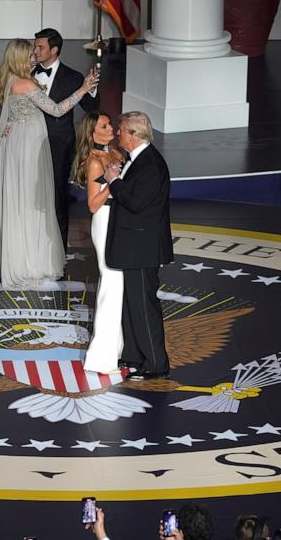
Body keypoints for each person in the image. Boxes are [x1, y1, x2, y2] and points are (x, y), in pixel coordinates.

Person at [0, 38, 98, 289]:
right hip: (28, 148)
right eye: (30, 56)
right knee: (30, 201)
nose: (34, 58)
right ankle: (27, 262)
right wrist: (83, 89)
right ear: (20, 59)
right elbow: (57, 109)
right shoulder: (26, 84)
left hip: (12, 146)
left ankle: (9, 257)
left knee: (15, 200)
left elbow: (5, 115)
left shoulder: (5, 80)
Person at [103, 112, 172, 382]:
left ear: (133, 134)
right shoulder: (140, 159)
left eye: (121, 130)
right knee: (132, 304)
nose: (118, 134)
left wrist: (113, 181)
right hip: (135, 245)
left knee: (144, 306)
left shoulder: (151, 164)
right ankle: (133, 355)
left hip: (143, 248)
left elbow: (135, 201)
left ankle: (155, 363)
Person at [33, 27, 100, 249]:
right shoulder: (27, 74)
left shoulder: (72, 77)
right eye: (35, 46)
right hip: (28, 146)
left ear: (54, 50)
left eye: (40, 47)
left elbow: (91, 108)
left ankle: (57, 250)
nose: (35, 50)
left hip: (58, 147)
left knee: (57, 198)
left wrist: (90, 89)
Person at [72, 111, 124, 374]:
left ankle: (117, 349)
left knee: (119, 285)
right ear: (92, 133)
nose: (110, 127)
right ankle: (101, 357)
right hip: (104, 220)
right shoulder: (93, 162)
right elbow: (93, 205)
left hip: (120, 219)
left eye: (110, 123)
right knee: (111, 282)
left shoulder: (115, 153)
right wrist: (111, 183)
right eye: (104, 126)